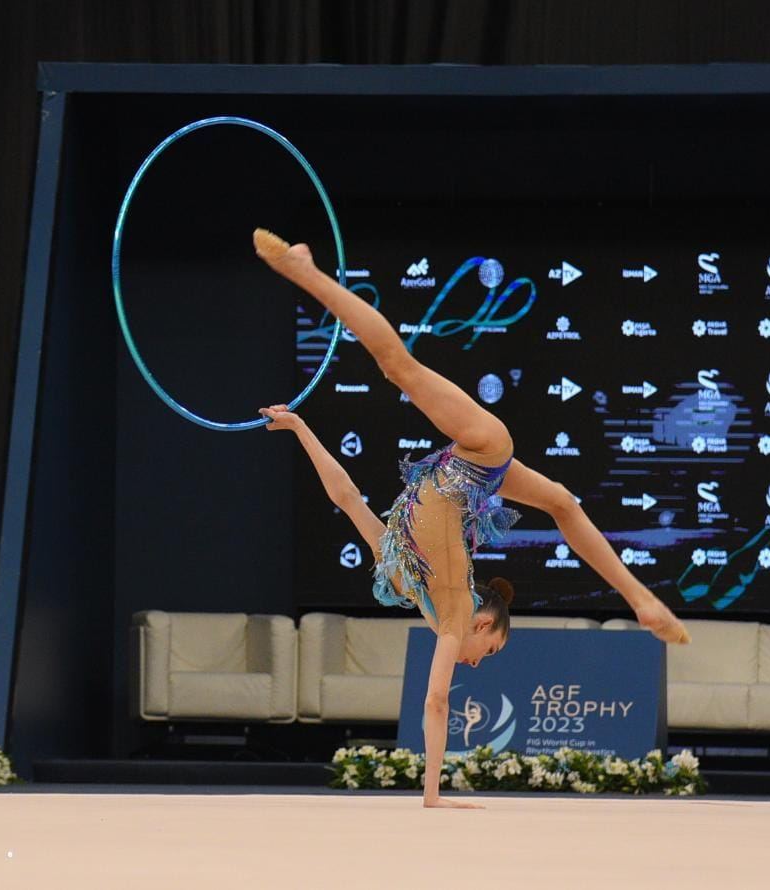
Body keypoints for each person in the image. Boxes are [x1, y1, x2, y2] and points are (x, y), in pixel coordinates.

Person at [253, 228, 689, 809]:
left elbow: (349, 500)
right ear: (484, 626)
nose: (476, 662)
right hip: (480, 453)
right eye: (489, 654)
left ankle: (641, 600)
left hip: (475, 467)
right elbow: (437, 701)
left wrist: (301, 428)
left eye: (485, 657)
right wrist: (433, 796)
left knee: (557, 498)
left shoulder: (414, 586)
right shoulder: (454, 612)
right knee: (400, 369)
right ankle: (306, 272)